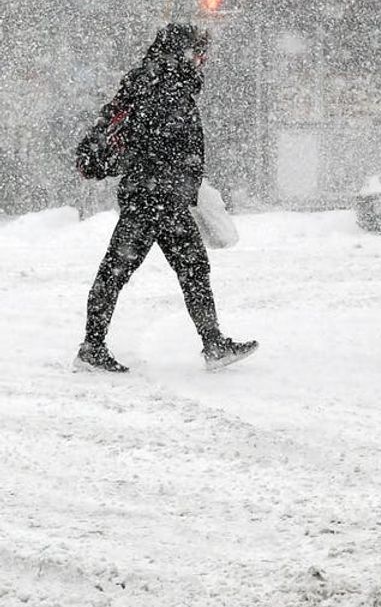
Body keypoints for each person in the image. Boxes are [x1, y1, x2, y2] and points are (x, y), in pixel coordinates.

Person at [74, 22, 258, 374]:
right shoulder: (160, 85)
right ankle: (91, 347)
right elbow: (153, 143)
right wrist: (177, 174)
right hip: (152, 197)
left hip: (162, 197)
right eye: (197, 52)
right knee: (119, 269)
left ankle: (213, 344)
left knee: (190, 268)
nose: (202, 59)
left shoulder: (160, 81)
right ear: (181, 52)